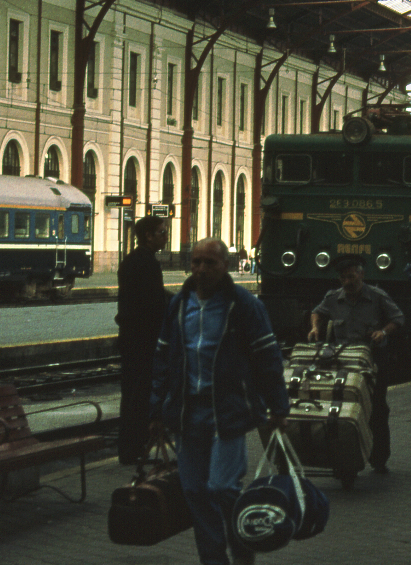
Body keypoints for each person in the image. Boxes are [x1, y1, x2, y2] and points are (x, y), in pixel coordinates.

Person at [149, 238, 289, 565]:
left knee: (222, 487)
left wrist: (279, 407)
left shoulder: (243, 305)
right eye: (196, 262)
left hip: (227, 412)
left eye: (209, 263)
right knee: (195, 492)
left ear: (224, 265)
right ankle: (213, 559)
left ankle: (242, 549)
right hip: (187, 413)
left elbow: (268, 359)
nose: (201, 269)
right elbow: (162, 359)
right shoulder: (180, 304)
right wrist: (155, 409)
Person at [309, 255, 405, 473]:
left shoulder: (377, 297)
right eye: (343, 278)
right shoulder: (333, 298)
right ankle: (346, 454)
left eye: (351, 276)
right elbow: (318, 312)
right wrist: (316, 327)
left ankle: (379, 458)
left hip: (372, 362)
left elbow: (398, 318)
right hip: (344, 362)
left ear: (361, 275)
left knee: (377, 408)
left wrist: (383, 332)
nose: (347, 282)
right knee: (342, 409)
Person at [116, 214, 170, 464]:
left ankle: (131, 448)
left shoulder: (134, 260)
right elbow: (154, 300)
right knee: (138, 396)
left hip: (132, 338)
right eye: (162, 232)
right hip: (141, 340)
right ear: (148, 236)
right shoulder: (145, 263)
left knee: (133, 395)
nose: (166, 236)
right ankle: (132, 449)